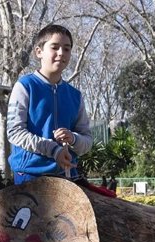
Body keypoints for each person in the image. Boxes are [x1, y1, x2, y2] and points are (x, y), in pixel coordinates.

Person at [7, 24, 93, 185]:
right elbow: (15, 132)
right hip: (29, 176)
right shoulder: (25, 86)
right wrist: (54, 150)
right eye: (55, 47)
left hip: (68, 178)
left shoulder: (75, 95)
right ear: (39, 52)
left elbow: (87, 139)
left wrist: (73, 138)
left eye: (67, 49)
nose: (61, 53)